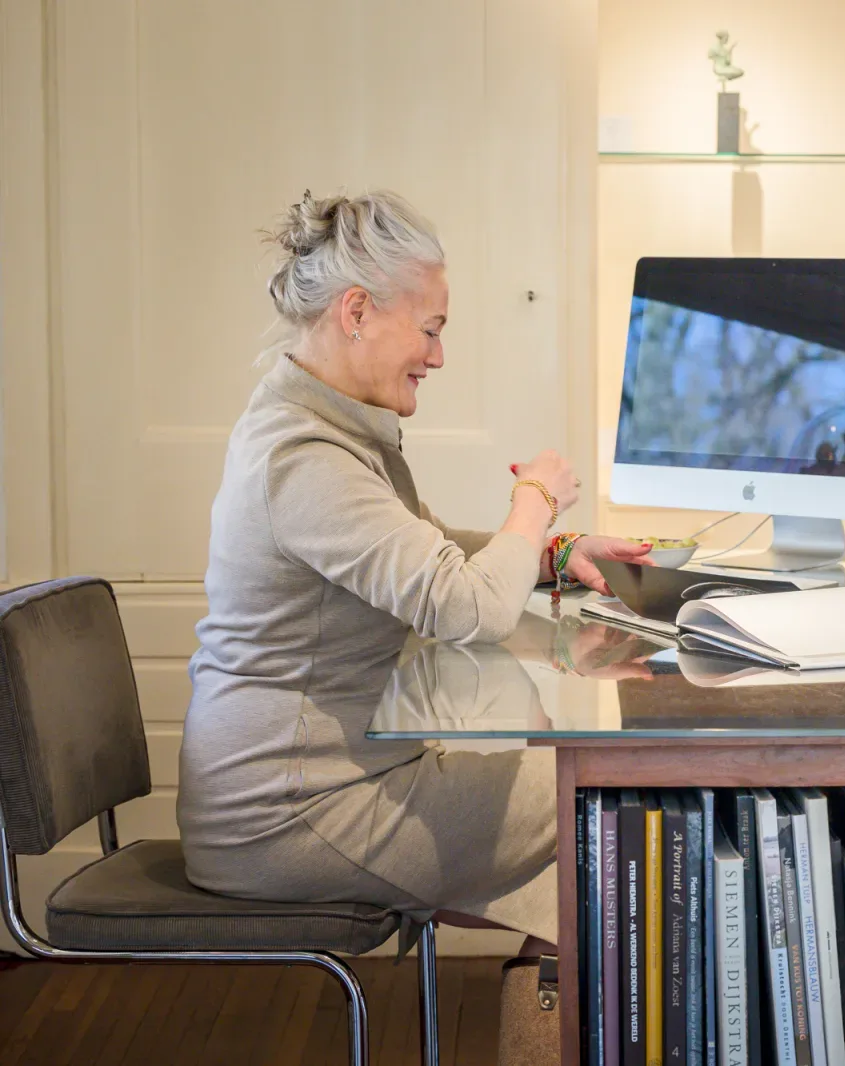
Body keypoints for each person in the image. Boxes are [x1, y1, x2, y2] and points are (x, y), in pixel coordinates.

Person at [176, 190, 651, 1060]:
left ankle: (557, 1002)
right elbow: (468, 608)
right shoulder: (305, 459)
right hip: (288, 813)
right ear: (357, 311)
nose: (439, 354)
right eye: (429, 328)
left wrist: (555, 548)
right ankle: (566, 1017)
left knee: (592, 806)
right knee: (608, 802)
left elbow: (426, 551)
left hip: (311, 787)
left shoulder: (326, 432)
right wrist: (535, 497)